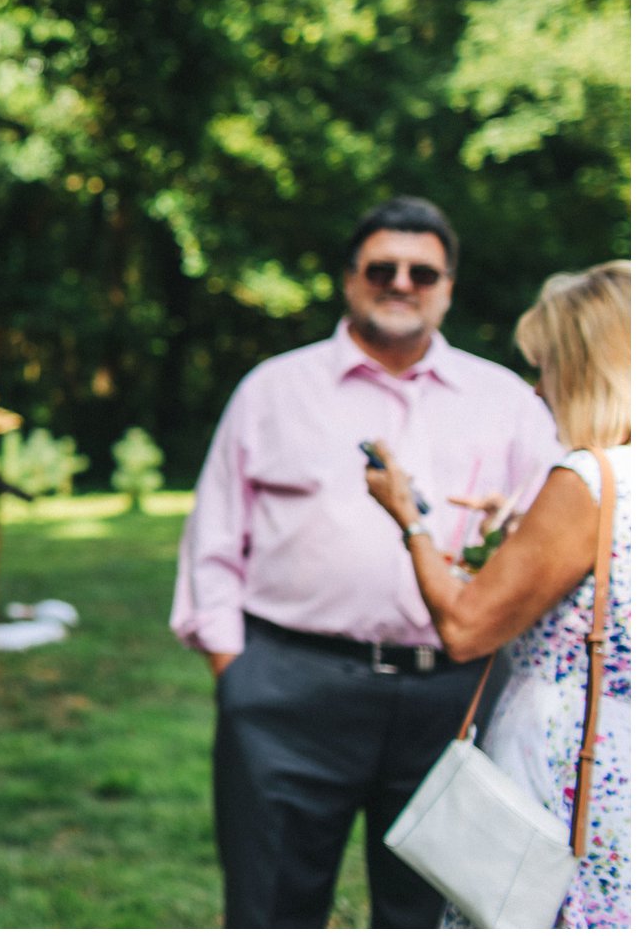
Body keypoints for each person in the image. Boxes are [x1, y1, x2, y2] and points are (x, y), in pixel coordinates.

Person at [170, 194, 562, 928]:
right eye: (382, 266)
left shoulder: (507, 401)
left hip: (455, 697)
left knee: (434, 912)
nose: (401, 282)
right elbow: (214, 539)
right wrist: (238, 673)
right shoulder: (273, 389)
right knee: (270, 907)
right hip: (288, 690)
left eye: (423, 271)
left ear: (448, 286)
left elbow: (551, 540)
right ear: (350, 279)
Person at [365, 260, 630, 928]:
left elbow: (466, 627)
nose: (537, 388)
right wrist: (518, 533)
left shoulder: (588, 478)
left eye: (546, 366)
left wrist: (410, 518)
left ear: (587, 366)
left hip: (566, 768)